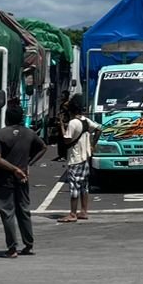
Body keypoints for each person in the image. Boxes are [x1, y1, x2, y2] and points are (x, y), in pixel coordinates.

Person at [0, 102, 46, 257]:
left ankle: (12, 248)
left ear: (6, 118)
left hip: (4, 178)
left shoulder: (1, 135)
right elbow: (43, 147)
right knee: (23, 211)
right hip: (23, 178)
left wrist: (14, 169)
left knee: (7, 212)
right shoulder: (29, 133)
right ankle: (29, 245)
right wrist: (27, 165)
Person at [57, 94, 99, 223]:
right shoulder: (86, 121)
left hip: (75, 158)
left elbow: (66, 139)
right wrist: (92, 145)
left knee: (74, 187)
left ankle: (73, 213)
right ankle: (84, 211)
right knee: (84, 187)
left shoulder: (72, 123)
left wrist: (62, 127)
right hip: (85, 158)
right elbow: (99, 129)